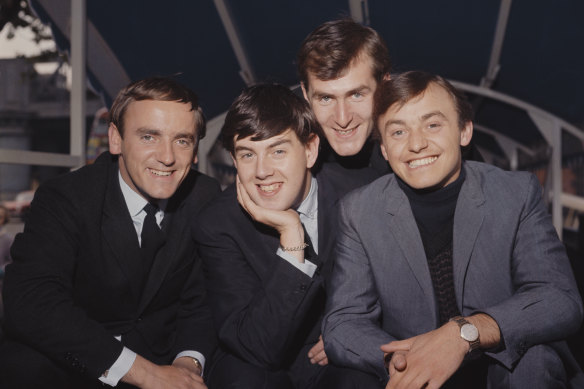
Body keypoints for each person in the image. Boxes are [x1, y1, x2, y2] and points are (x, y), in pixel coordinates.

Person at [322, 71, 584, 388]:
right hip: (413, 371)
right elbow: (343, 322)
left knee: (536, 360)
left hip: (498, 366)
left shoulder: (514, 193)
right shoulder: (360, 210)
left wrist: (463, 334)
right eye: (398, 132)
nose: (417, 144)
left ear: (464, 131)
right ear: (385, 150)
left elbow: (560, 299)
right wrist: (404, 361)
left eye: (432, 125)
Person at [0, 77, 219, 389]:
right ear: (116, 139)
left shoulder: (204, 196)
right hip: (79, 359)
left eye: (182, 140)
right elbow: (32, 302)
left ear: (195, 149)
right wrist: (146, 374)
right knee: (23, 367)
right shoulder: (66, 198)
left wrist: (188, 363)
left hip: (164, 355)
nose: (167, 156)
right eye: (149, 137)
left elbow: (203, 299)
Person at [193, 84, 372, 389]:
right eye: (247, 154)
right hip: (257, 364)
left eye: (277, 150)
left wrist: (348, 331)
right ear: (235, 162)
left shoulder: (360, 197)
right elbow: (255, 346)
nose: (262, 171)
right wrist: (292, 239)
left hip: (335, 358)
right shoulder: (218, 223)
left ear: (310, 150)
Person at [297, 19, 482, 177]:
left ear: (385, 85)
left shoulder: (430, 136)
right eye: (326, 99)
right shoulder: (289, 147)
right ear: (305, 93)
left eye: (356, 95)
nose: (343, 119)